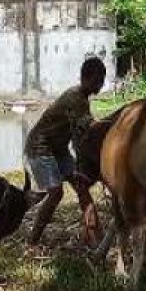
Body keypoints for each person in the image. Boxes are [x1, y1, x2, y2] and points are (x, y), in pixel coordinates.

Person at [24, 57, 106, 247]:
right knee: (56, 193)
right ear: (87, 78)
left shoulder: (82, 99)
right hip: (40, 146)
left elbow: (81, 137)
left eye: (102, 80)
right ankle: (32, 242)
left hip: (58, 148)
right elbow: (89, 133)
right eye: (99, 80)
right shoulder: (75, 98)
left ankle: (94, 236)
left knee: (81, 186)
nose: (101, 85)